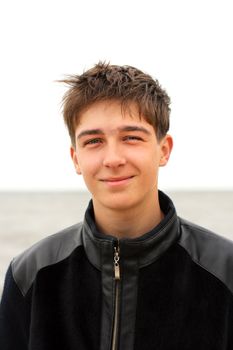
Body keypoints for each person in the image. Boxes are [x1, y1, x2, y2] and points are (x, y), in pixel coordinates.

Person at [0, 62, 233, 350]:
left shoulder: (225, 270)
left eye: (131, 138)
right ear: (76, 158)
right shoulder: (30, 274)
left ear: (164, 150)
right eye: (94, 141)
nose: (113, 158)